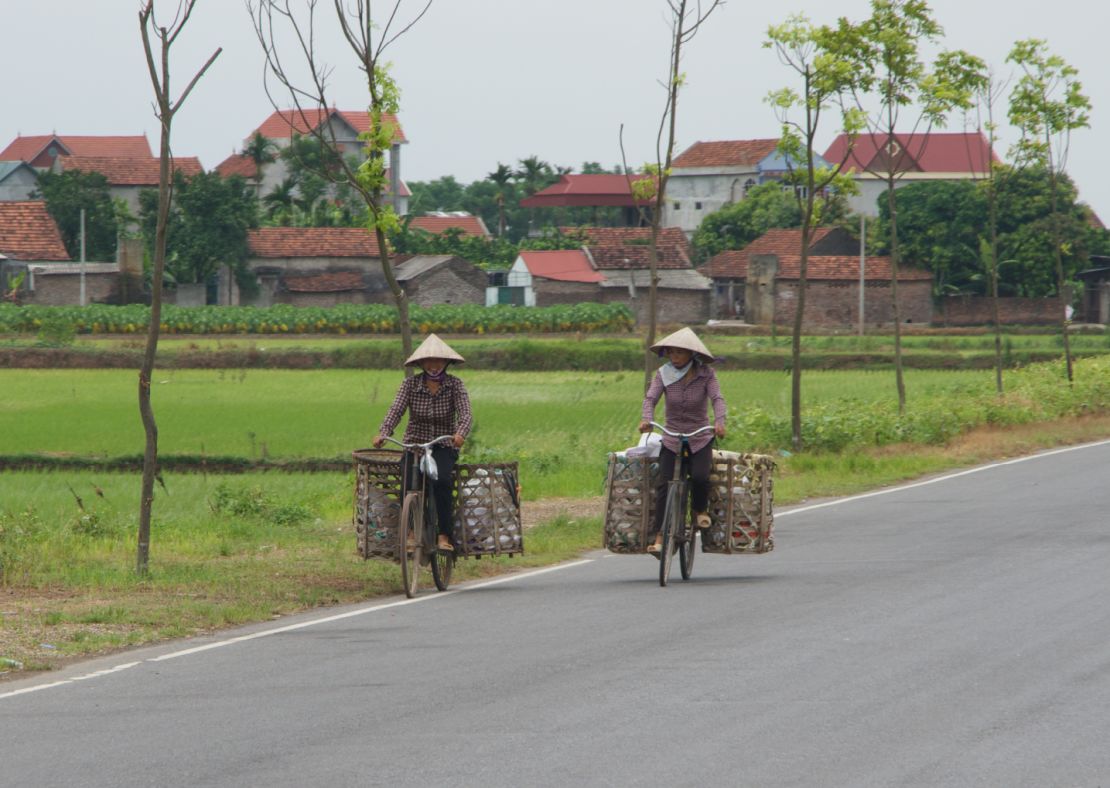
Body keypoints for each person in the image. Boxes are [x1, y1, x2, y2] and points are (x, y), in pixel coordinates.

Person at [373, 334, 472, 552]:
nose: (433, 365)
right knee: (408, 483)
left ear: (446, 363)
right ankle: (409, 533)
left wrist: (460, 434)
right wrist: (383, 433)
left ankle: (444, 535)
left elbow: (465, 414)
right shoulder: (410, 384)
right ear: (421, 363)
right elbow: (395, 410)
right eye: (429, 361)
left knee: (442, 483)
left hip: (443, 445)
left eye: (438, 361)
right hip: (415, 445)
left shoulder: (455, 385)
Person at [638, 327, 727, 555]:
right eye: (671, 352)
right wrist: (647, 419)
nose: (674, 357)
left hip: (699, 436)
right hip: (672, 436)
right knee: (664, 484)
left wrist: (719, 422)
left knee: (699, 477)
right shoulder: (663, 374)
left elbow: (717, 398)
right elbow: (650, 398)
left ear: (691, 354)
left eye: (679, 353)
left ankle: (699, 511)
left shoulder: (706, 374)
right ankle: (659, 537)